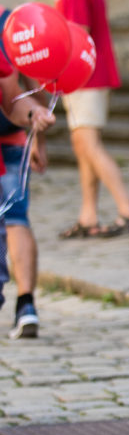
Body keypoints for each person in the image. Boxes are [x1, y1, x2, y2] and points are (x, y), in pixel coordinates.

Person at [42, 0, 129, 239]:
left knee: (88, 144)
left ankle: (128, 209)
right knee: (81, 144)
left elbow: (77, 32)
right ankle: (89, 215)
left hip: (86, 75)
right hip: (85, 75)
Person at [0, 56, 56, 336]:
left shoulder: (12, 31)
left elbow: (13, 97)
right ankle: (26, 306)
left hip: (9, 145)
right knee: (16, 219)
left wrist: (35, 118)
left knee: (14, 218)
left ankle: (25, 305)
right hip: (13, 144)